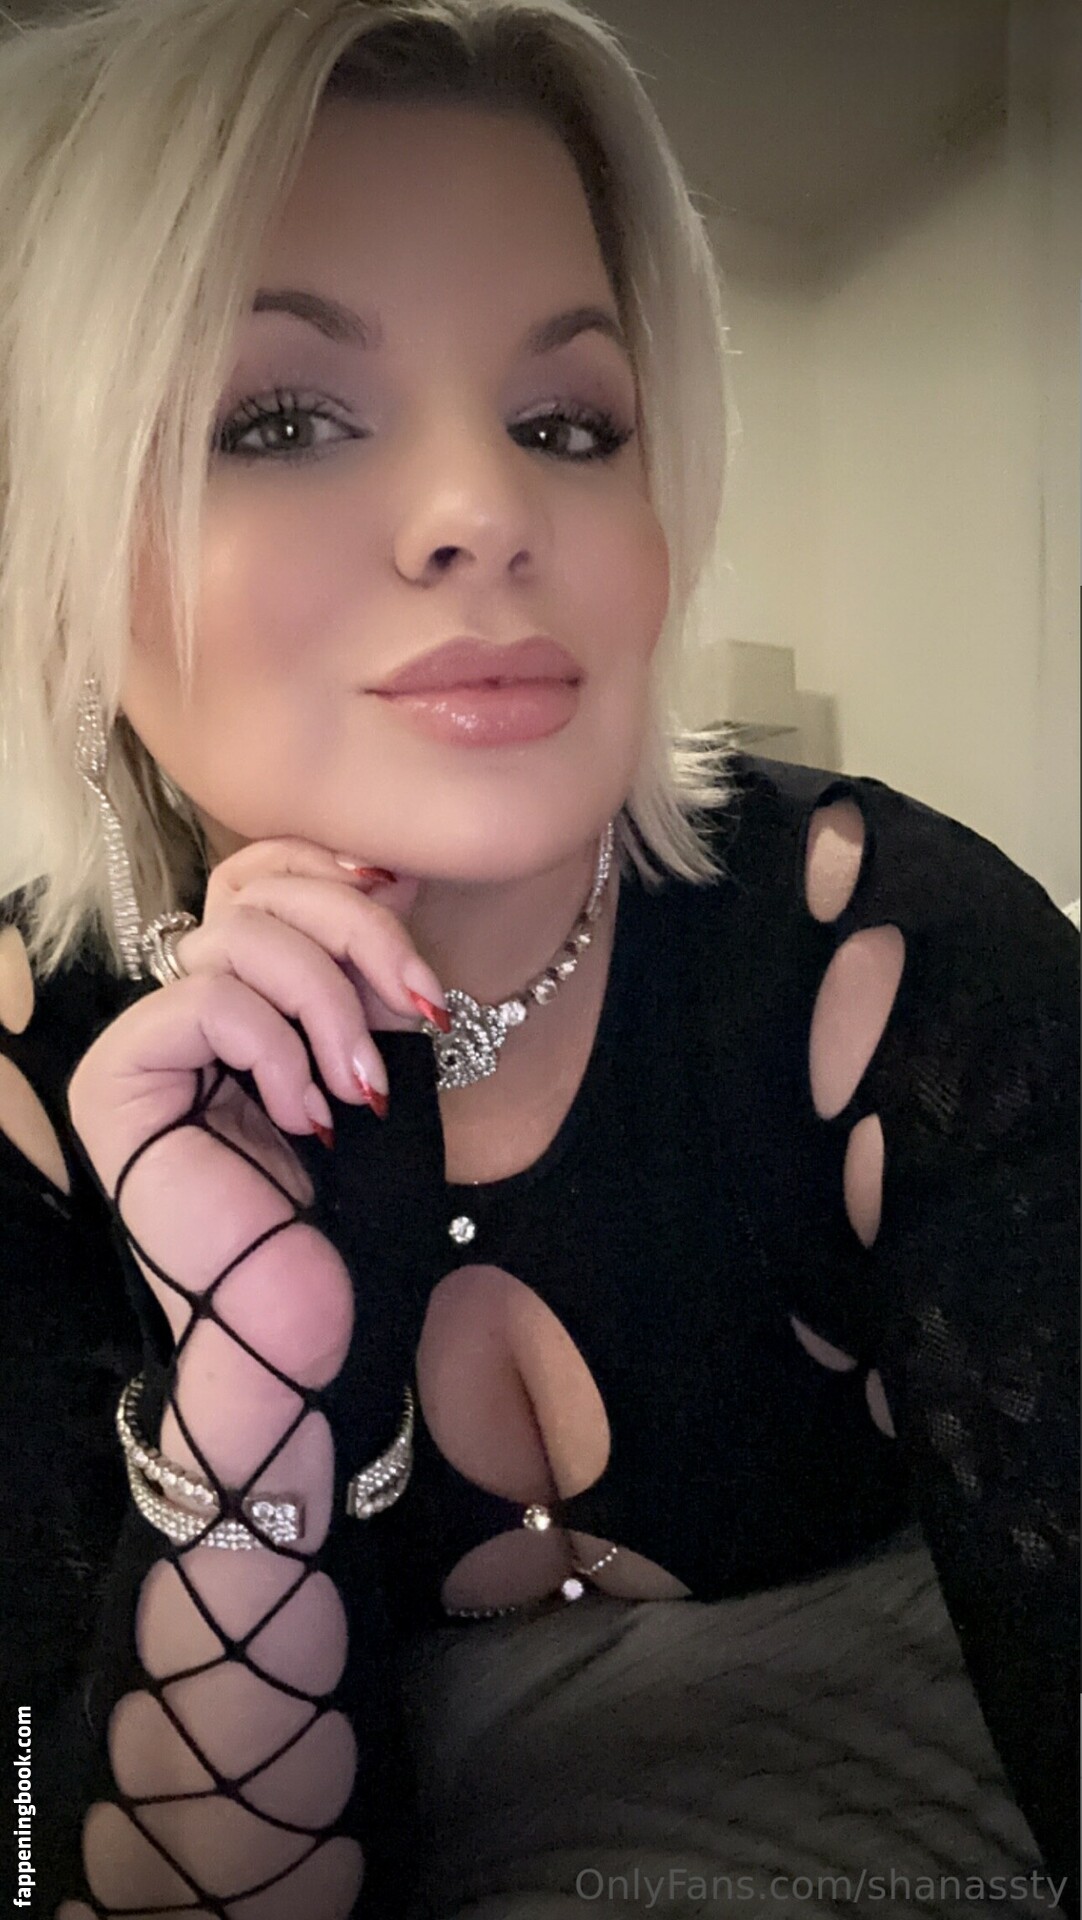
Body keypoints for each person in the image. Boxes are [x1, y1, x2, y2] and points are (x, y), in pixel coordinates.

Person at [0, 1, 1076, 1915]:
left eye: (566, 424)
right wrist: (252, 1397)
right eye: (279, 420)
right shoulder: (35, 1065)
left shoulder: (887, 953)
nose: (489, 515)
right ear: (63, 562)